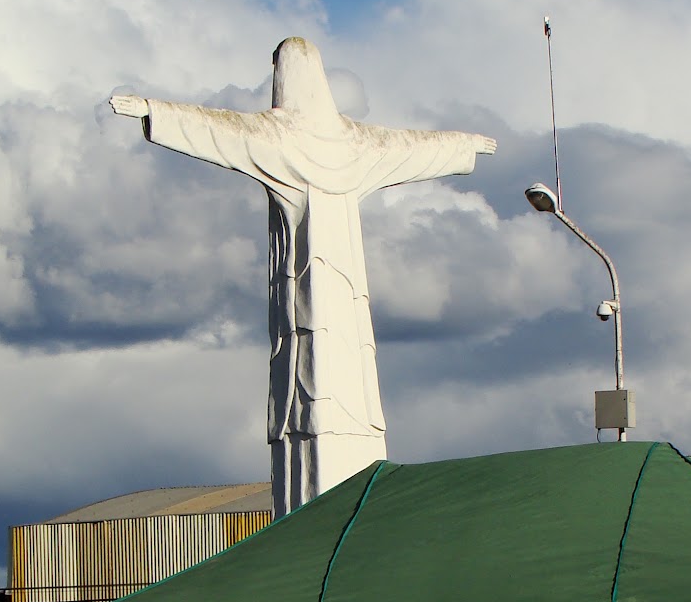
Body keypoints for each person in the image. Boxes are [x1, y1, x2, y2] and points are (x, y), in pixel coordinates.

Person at [110, 37, 496, 515]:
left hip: (308, 302)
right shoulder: (356, 144)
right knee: (323, 399)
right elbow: (412, 147)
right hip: (340, 303)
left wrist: (154, 111)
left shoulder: (278, 136)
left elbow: (215, 130)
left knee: (313, 395)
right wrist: (464, 146)